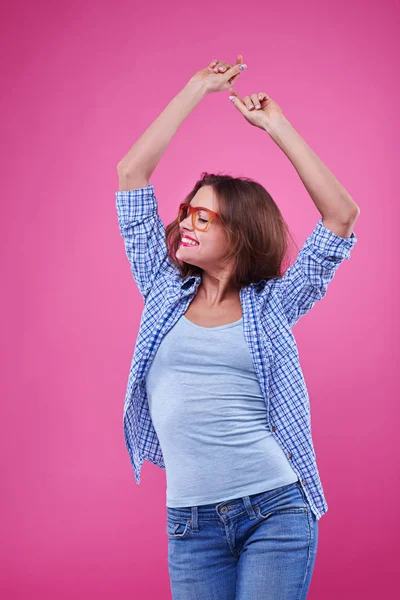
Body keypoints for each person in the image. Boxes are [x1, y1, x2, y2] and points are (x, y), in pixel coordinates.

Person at [116, 56, 360, 600]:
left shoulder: (272, 305)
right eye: (187, 211)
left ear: (243, 233)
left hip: (274, 510)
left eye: (206, 216)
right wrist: (195, 89)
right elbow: (131, 175)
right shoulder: (162, 290)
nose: (187, 223)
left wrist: (277, 126)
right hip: (190, 525)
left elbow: (341, 216)